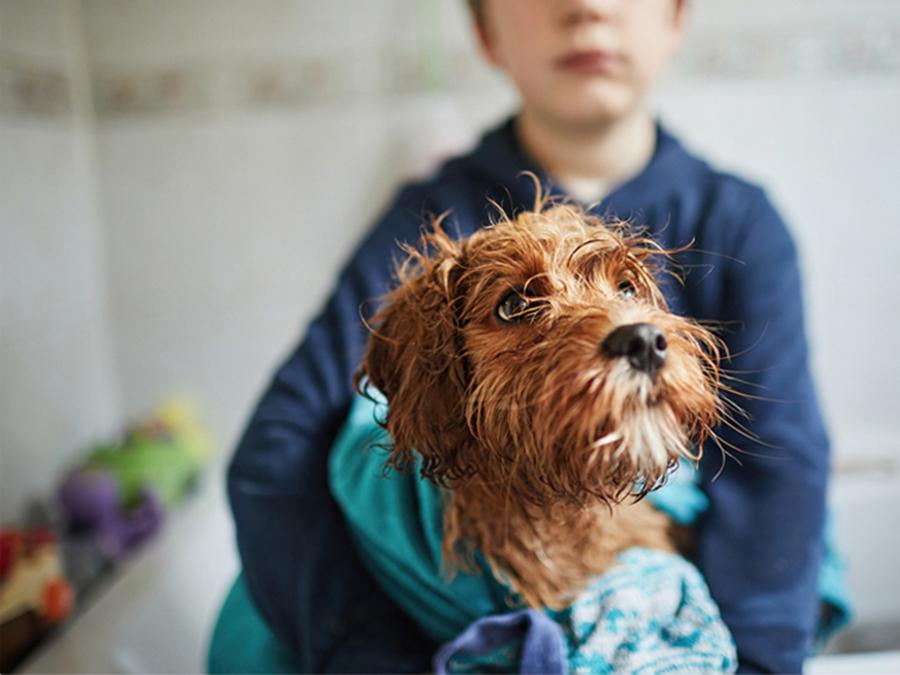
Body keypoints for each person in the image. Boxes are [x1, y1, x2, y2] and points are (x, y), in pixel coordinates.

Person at [227, 1, 830, 672]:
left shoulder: (739, 220)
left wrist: (748, 661)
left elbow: (781, 467)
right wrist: (370, 652)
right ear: (486, 33)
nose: (586, 7)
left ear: (675, 18)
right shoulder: (426, 218)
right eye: (519, 305)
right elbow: (274, 455)